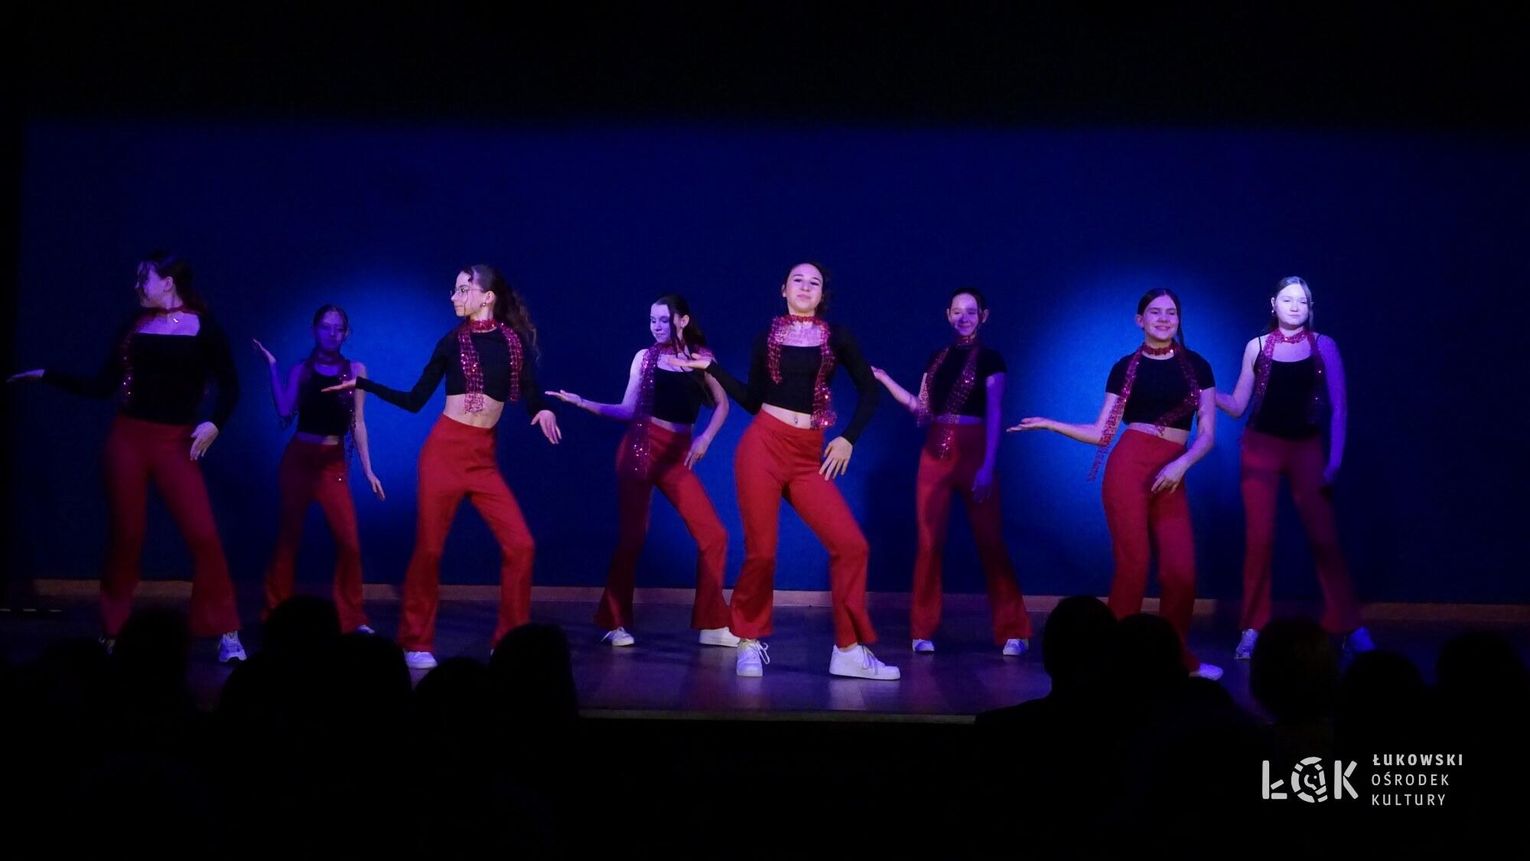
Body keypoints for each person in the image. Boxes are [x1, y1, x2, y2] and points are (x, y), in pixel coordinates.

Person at [8, 252, 245, 661]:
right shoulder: (135, 326)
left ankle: (226, 630)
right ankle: (113, 630)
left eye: (144, 279)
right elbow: (102, 385)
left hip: (175, 442)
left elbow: (231, 386)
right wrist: (47, 375)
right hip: (128, 440)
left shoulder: (204, 329)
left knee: (204, 536)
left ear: (168, 282)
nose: (138, 286)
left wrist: (215, 423)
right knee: (126, 537)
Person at [1011, 288, 1222, 680]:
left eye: (1171, 312)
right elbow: (1101, 432)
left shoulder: (1198, 366)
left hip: (1173, 472)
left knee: (1180, 573)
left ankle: (1175, 659)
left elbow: (1207, 434)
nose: (1164, 318)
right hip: (1128, 468)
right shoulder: (1125, 367)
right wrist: (1051, 424)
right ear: (1139, 320)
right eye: (1155, 312)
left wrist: (1182, 465)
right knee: (1133, 567)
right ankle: (1115, 662)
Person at [546, 294, 737, 648]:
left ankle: (712, 623)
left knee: (714, 535)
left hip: (678, 455)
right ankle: (614, 621)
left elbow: (723, 404)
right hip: (640, 448)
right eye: (652, 320)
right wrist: (582, 402)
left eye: (664, 320)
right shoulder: (644, 358)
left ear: (683, 320)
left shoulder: (701, 358)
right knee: (633, 538)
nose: (656, 326)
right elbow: (627, 410)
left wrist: (706, 439)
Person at [1215, 276, 1371, 660]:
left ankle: (1348, 624)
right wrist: (1204, 391)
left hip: (1305, 448)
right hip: (1261, 447)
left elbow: (1340, 407)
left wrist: (1335, 460)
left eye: (1302, 301)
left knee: (1325, 539)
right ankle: (1253, 626)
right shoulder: (1256, 346)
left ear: (1310, 306)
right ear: (1274, 303)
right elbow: (1238, 405)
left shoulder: (1324, 345)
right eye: (1288, 299)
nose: (1295, 306)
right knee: (1259, 541)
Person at [872, 287, 1032, 656]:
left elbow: (995, 412)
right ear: (947, 315)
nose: (963, 317)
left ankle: (1014, 629)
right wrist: (884, 379)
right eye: (957, 311)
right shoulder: (938, 357)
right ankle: (922, 629)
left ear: (983, 316)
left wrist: (988, 466)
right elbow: (922, 409)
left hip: (974, 450)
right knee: (929, 543)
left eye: (971, 311)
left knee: (990, 541)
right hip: (935, 452)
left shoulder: (991, 359)